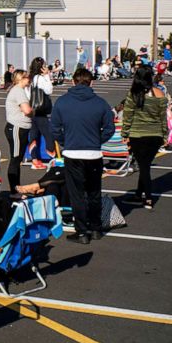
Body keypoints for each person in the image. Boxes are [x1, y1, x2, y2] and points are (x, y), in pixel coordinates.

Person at [50, 68, 115, 245]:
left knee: (77, 193)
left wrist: (66, 141)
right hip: (93, 153)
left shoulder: (62, 102)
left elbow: (54, 128)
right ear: (91, 82)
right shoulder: (100, 103)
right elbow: (110, 128)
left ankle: (82, 231)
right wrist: (96, 140)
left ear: (73, 81)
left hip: (73, 153)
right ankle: (95, 228)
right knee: (94, 192)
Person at [121, 68, 168, 210]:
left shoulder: (133, 94)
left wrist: (124, 133)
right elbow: (163, 118)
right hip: (155, 135)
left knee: (144, 166)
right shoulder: (159, 94)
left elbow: (127, 116)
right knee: (145, 165)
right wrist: (165, 135)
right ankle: (138, 193)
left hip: (137, 135)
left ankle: (148, 197)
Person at [3, 69, 33, 190]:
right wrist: (34, 111)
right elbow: (27, 110)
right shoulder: (18, 91)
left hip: (22, 128)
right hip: (16, 127)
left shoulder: (19, 90)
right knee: (15, 159)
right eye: (27, 77)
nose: (29, 80)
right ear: (22, 78)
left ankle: (17, 187)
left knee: (18, 158)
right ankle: (14, 189)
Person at [27, 57, 55, 169]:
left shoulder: (30, 78)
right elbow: (49, 90)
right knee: (49, 135)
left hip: (31, 110)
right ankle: (51, 157)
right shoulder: (40, 78)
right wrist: (47, 75)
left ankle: (35, 159)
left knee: (34, 135)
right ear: (42, 67)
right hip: (40, 111)